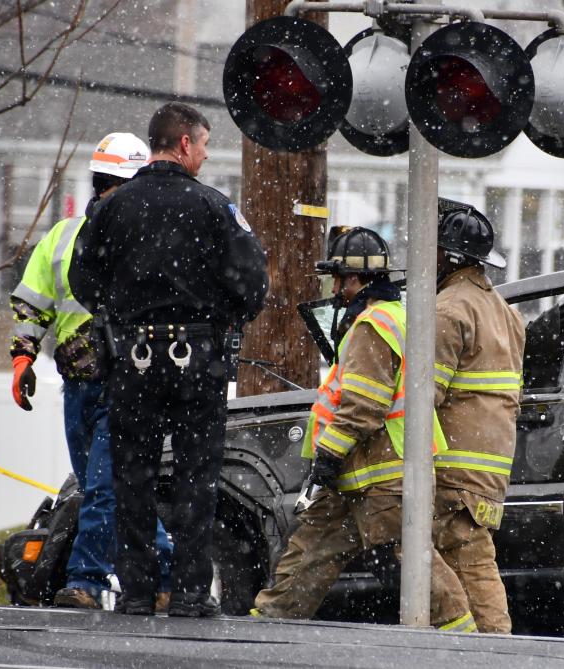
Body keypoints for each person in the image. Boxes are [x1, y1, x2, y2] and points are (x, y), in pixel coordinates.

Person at [69, 102, 268, 617]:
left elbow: (83, 279)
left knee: (131, 477)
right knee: (195, 478)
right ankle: (189, 593)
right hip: (197, 360)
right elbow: (253, 284)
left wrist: (125, 312)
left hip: (130, 360)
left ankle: (135, 593)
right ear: (184, 145)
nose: (204, 154)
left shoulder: (113, 207)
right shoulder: (212, 207)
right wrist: (216, 316)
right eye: (202, 144)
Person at [252, 227, 476, 633]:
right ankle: (267, 628)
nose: (335, 290)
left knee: (407, 559)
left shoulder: (373, 325)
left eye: (337, 279)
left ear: (354, 280)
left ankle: (464, 647)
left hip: (384, 472)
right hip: (361, 472)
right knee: (310, 551)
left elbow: (364, 406)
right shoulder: (398, 316)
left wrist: (329, 454)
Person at [10, 132, 174, 610]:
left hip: (124, 384)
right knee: (107, 488)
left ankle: (85, 579)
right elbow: (33, 302)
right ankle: (166, 570)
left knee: (103, 487)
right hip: (79, 386)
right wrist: (22, 356)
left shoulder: (142, 237)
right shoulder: (66, 238)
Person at [430, 200, 525, 634]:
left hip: (453, 463)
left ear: (448, 257)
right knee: (471, 560)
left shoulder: (449, 309)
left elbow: (422, 397)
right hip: (490, 467)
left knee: (458, 558)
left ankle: (484, 648)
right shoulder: (507, 313)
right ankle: (484, 648)